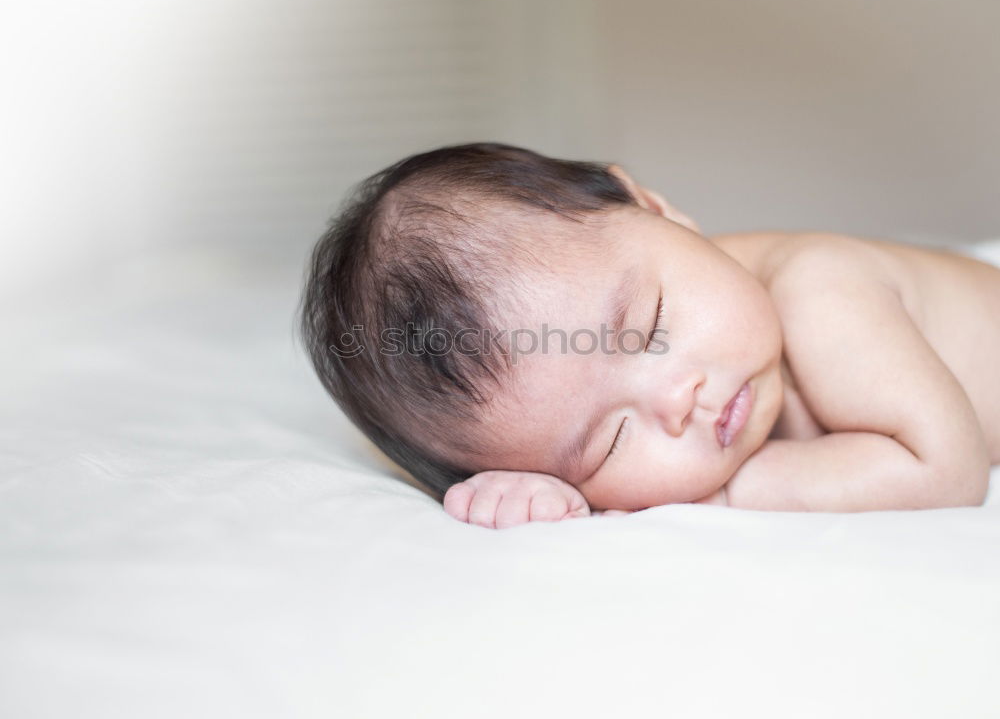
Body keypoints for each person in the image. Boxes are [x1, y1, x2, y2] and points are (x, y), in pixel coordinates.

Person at [299, 142, 1000, 527]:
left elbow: (944, 468)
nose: (675, 399)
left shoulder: (821, 291)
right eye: (609, 443)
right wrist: (542, 491)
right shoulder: (574, 391)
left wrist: (719, 497)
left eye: (651, 326)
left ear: (656, 208)